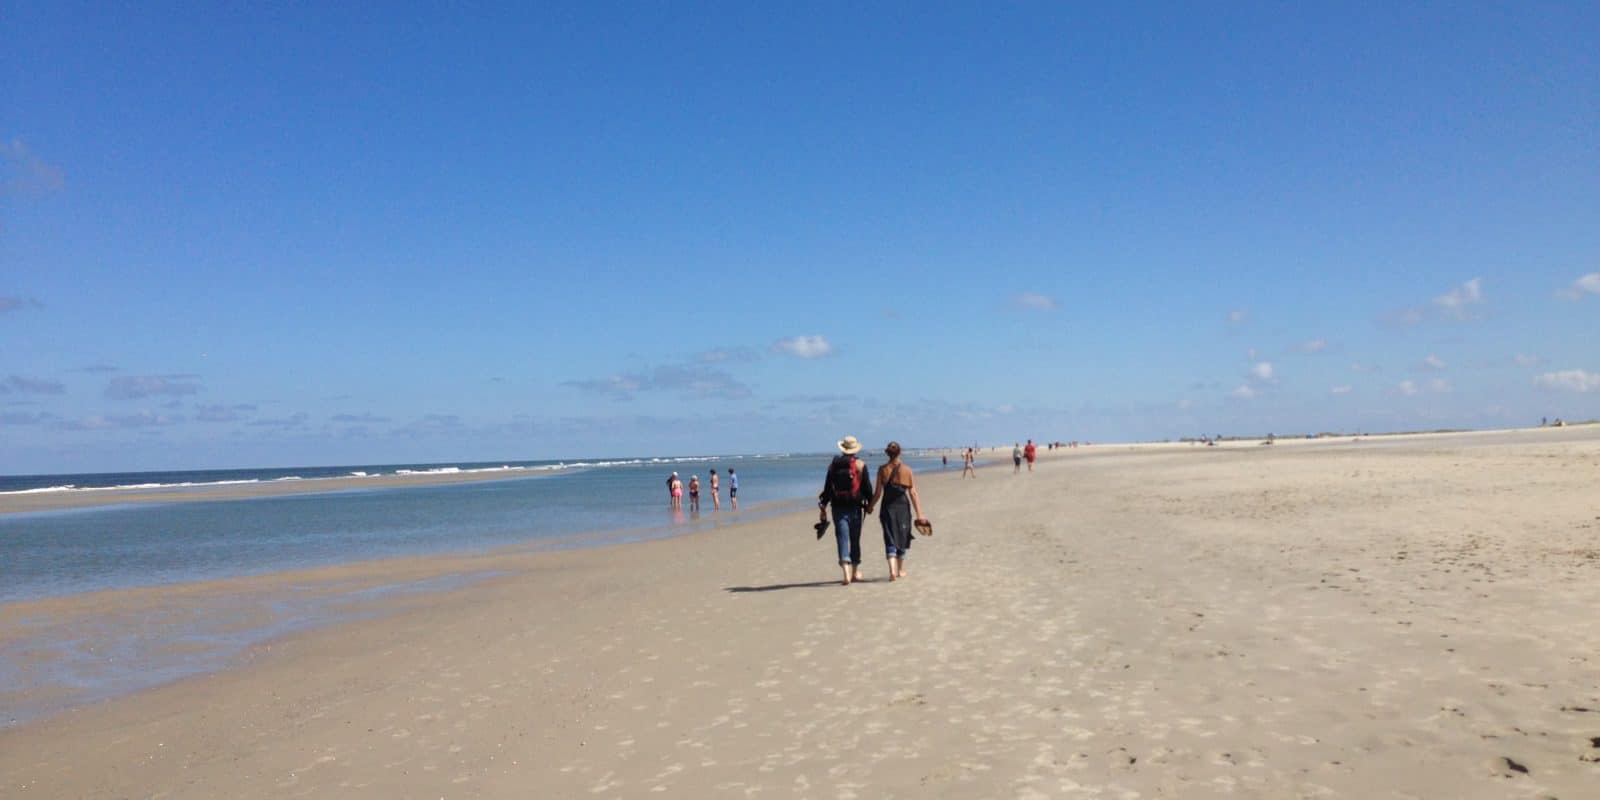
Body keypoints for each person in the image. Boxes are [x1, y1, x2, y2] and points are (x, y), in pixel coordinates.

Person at [866, 441, 927, 581]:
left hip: (887, 508)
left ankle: (892, 570)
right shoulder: (907, 470)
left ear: (887, 453)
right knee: (902, 535)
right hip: (903, 508)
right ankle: (900, 569)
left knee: (889, 537)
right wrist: (919, 514)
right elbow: (913, 493)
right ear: (899, 452)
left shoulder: (882, 470)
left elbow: (878, 493)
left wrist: (870, 506)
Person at [818, 435, 873, 585]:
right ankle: (855, 572)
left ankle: (846, 574)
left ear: (843, 448)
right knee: (855, 539)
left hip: (838, 507)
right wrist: (870, 505)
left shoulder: (833, 466)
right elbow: (867, 488)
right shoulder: (860, 465)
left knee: (842, 538)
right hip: (855, 507)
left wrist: (823, 505)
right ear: (855, 449)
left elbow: (828, 489)